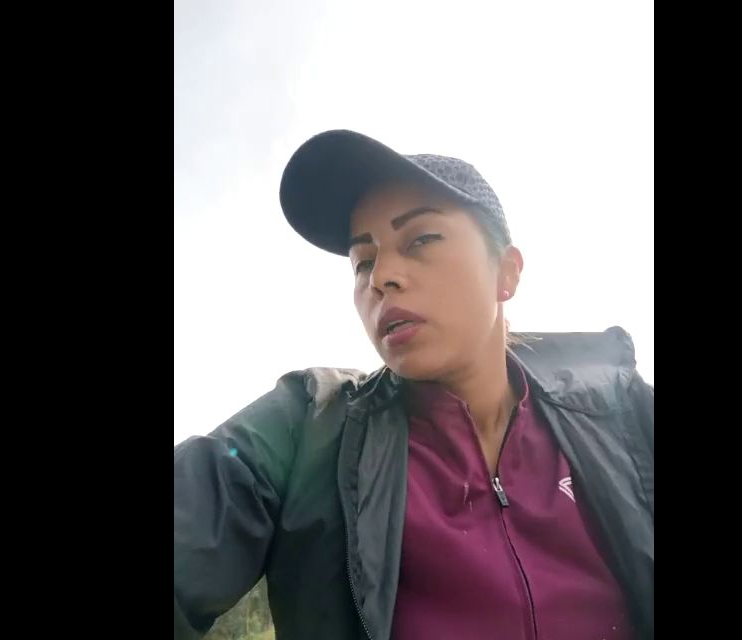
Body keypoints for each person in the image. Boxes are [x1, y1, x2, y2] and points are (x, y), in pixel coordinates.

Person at [174, 130, 654, 640]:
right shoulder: (309, 427)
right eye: (363, 261)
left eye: (421, 239)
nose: (381, 276)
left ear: (506, 272)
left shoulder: (623, 414)